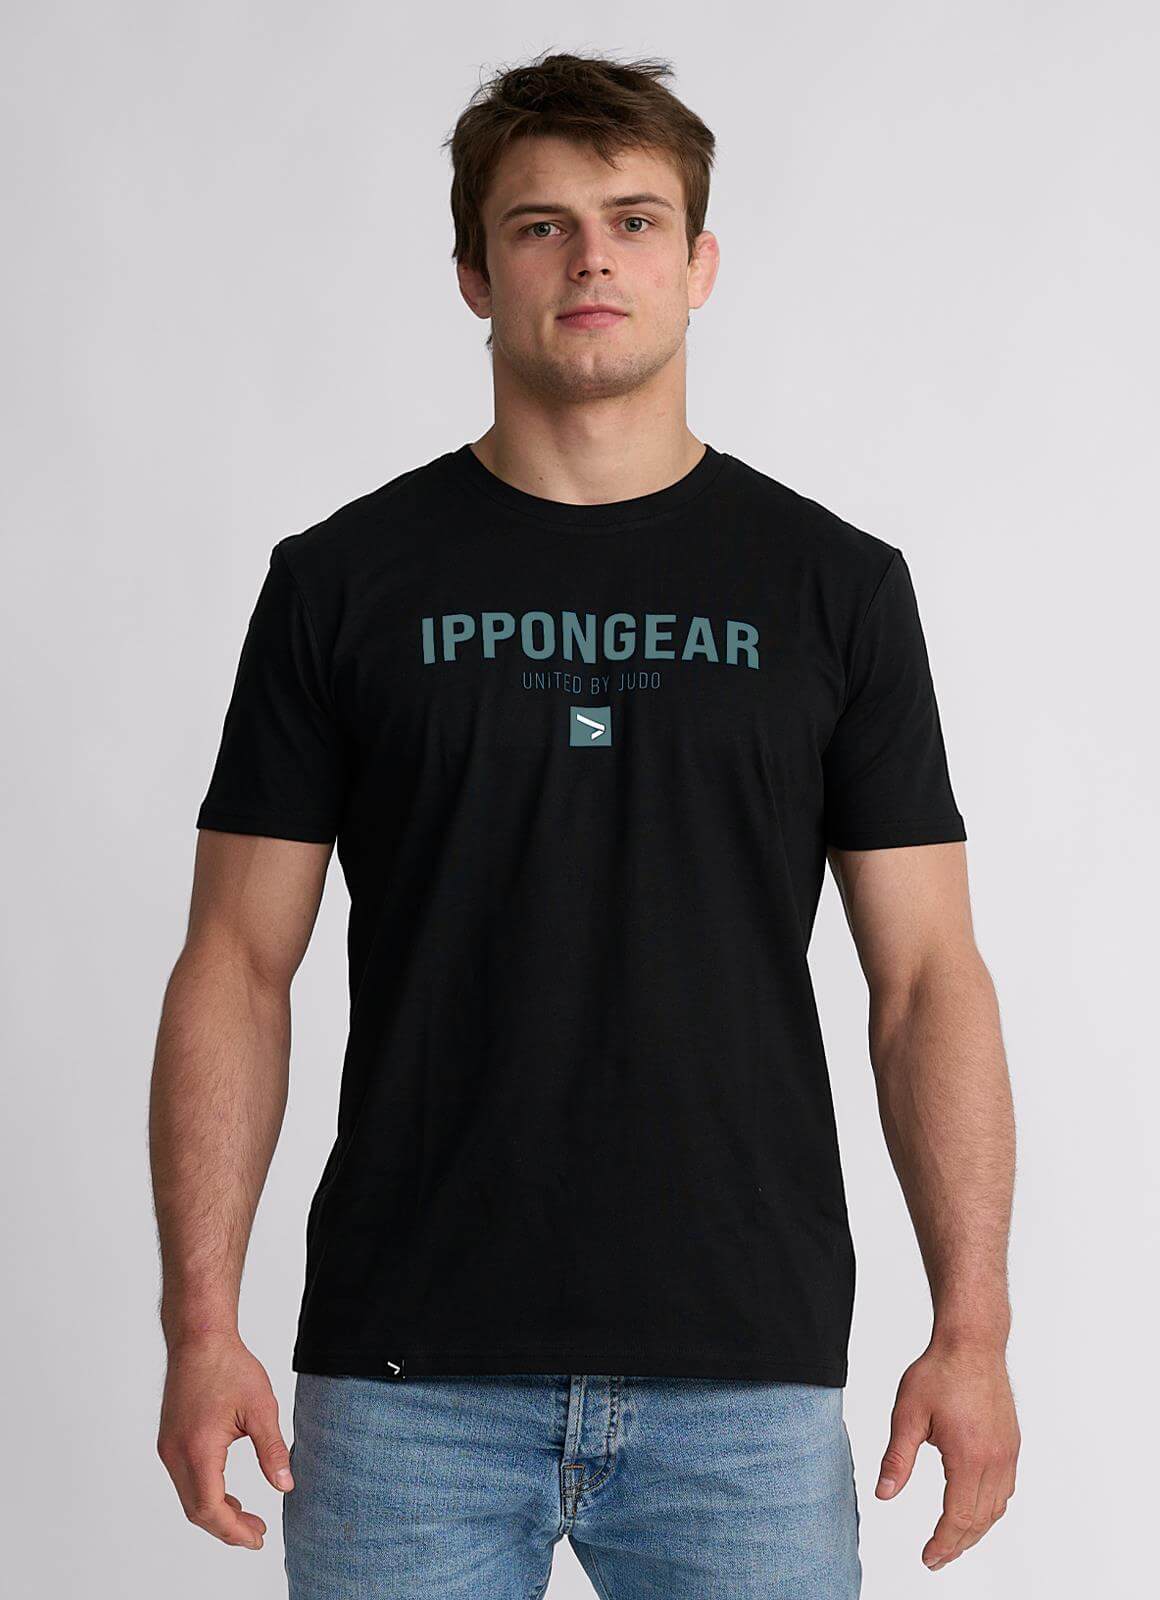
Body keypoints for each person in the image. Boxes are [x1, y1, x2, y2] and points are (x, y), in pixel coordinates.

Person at [150, 50, 1020, 1598]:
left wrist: (975, 1327)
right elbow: (236, 965)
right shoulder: (341, 584)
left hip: (744, 1381)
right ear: (476, 277)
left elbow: (927, 981)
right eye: (540, 225)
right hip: (406, 1378)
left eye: (634, 220)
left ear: (698, 264)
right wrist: (199, 1324)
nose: (592, 258)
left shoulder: (834, 588)